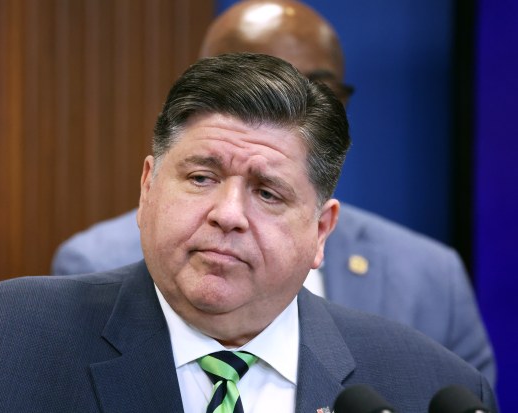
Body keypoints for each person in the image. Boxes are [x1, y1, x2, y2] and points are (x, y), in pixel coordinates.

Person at [0, 53, 496, 413]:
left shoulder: (429, 387)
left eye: (267, 193)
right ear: (147, 188)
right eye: (200, 176)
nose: (228, 214)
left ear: (321, 232)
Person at [52, 0, 496, 386]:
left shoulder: (432, 277)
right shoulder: (91, 264)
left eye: (314, 90)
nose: (229, 215)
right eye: (251, 82)